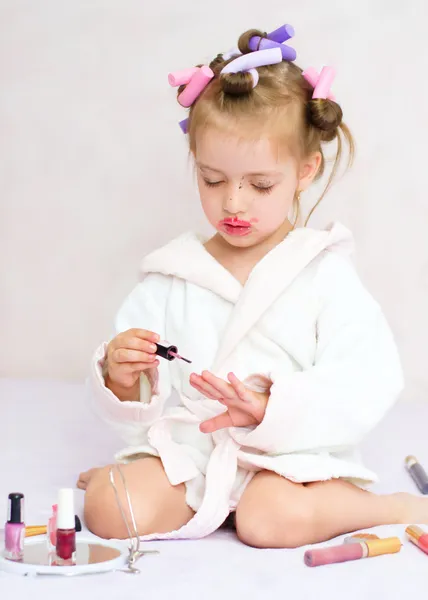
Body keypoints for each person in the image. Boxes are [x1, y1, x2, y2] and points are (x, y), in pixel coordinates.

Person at [78, 25, 428, 549]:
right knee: (107, 507)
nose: (233, 203)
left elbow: (368, 376)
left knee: (266, 521)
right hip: (194, 457)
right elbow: (144, 386)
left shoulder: (322, 272)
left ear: (305, 170)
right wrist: (122, 378)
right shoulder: (173, 273)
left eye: (260, 185)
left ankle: (384, 505)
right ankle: (170, 493)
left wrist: (275, 410)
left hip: (286, 459)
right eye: (212, 180)